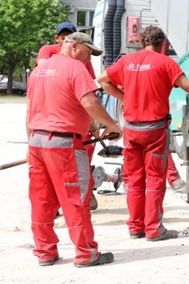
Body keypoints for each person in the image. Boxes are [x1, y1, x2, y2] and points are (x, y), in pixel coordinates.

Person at [97, 26, 189, 241]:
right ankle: (153, 229)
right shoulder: (166, 62)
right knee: (155, 179)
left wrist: (125, 98)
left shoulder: (126, 62)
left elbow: (103, 80)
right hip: (154, 130)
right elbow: (188, 87)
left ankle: (135, 228)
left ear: (142, 43)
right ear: (163, 44)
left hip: (132, 129)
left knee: (134, 179)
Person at [25, 32, 121, 267]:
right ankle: (86, 253)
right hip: (65, 144)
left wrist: (31, 145)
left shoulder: (39, 71)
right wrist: (112, 125)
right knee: (75, 198)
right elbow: (89, 102)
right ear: (74, 46)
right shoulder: (75, 68)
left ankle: (45, 252)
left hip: (37, 141)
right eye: (88, 53)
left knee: (41, 200)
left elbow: (32, 110)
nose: (89, 59)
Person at [37, 21, 100, 211]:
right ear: (57, 38)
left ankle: (86, 193)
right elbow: (44, 68)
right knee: (50, 168)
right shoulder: (48, 51)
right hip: (51, 109)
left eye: (69, 34)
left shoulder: (83, 61)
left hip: (74, 111)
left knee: (84, 157)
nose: (65, 37)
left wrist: (93, 124)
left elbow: (87, 92)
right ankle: (57, 204)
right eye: (62, 35)